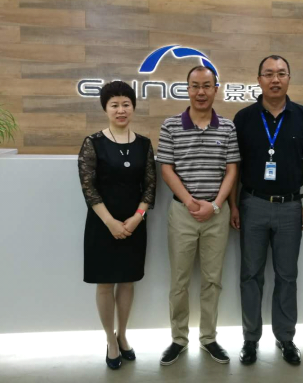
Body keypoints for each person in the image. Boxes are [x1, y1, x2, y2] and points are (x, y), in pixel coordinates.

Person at [229, 55, 303, 366]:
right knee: (250, 275)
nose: (275, 79)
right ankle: (250, 339)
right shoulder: (243, 118)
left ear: (289, 79)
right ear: (258, 80)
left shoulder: (302, 116)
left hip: (290, 207)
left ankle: (285, 338)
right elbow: (234, 166)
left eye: (281, 73)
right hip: (252, 205)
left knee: (287, 276)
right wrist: (233, 204)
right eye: (268, 74)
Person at [156, 65, 240, 366]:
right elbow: (166, 169)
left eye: (206, 86)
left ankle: (209, 338)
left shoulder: (228, 128)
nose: (201, 92)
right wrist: (190, 202)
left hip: (217, 214)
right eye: (195, 86)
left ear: (215, 89)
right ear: (187, 89)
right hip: (182, 213)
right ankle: (178, 339)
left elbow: (232, 170)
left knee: (212, 280)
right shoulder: (170, 125)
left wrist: (215, 205)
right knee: (179, 281)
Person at [78, 81, 156, 370]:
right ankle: (110, 339)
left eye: (126, 104)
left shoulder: (144, 144)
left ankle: (123, 334)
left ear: (133, 107)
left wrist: (137, 218)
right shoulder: (93, 142)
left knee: (127, 281)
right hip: (102, 224)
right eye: (114, 105)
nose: (121, 110)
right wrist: (110, 222)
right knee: (105, 283)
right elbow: (88, 188)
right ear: (105, 109)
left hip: (134, 223)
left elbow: (150, 186)